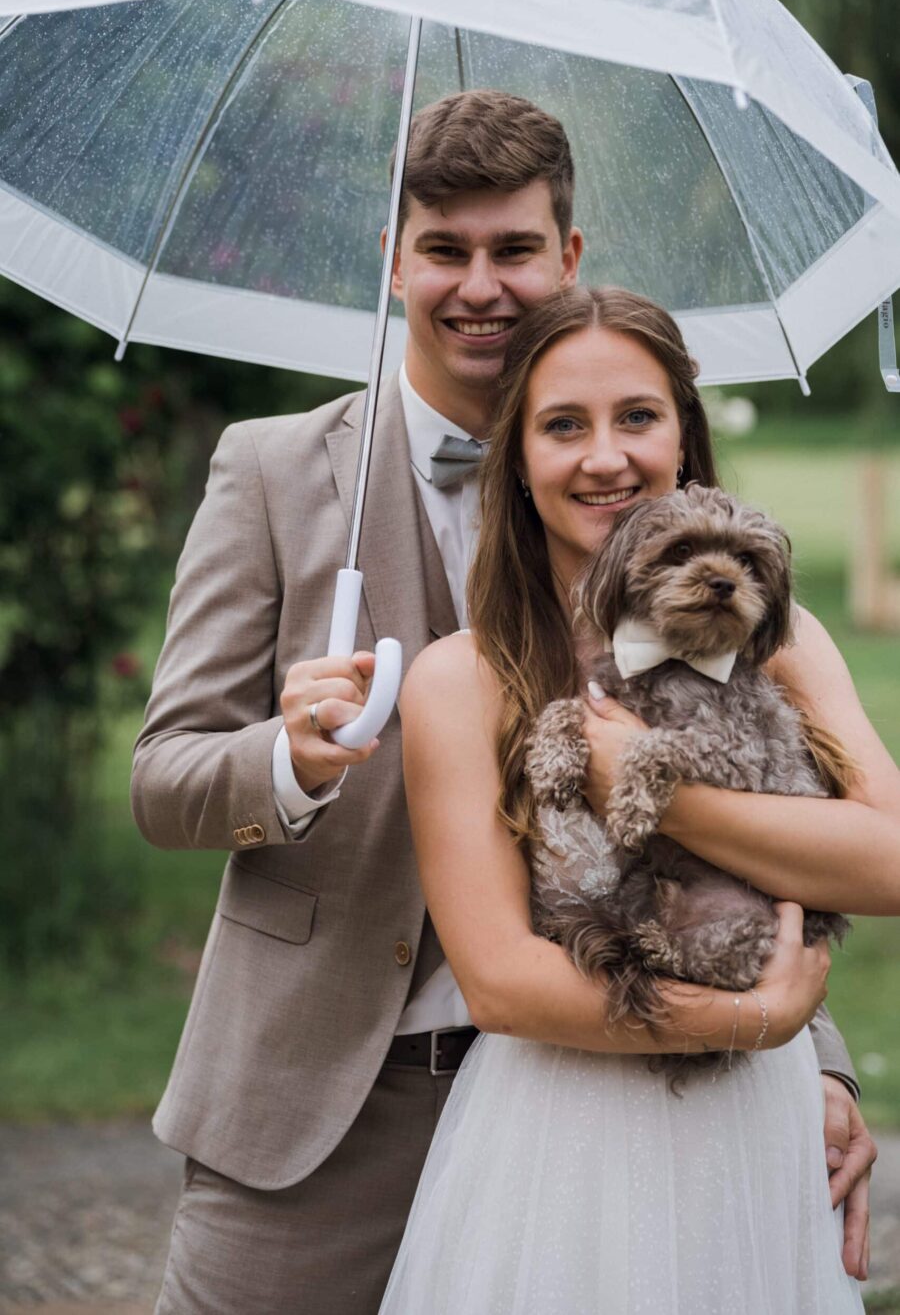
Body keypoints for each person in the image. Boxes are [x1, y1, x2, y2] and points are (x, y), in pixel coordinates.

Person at [132, 93, 875, 1313]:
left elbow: (762, 779)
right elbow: (163, 779)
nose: (480, 284)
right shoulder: (270, 471)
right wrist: (291, 760)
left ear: (566, 256)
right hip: (321, 1109)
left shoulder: (651, 521)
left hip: (601, 1104)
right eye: (445, 249)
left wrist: (810, 1057)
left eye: (515, 249)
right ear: (396, 259)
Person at [381, 286, 900, 1314]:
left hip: (752, 1127)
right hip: (565, 1131)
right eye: (563, 425)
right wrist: (756, 1016)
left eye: (639, 417)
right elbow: (503, 983)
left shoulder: (780, 648)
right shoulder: (463, 678)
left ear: (685, 440)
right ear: (518, 461)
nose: (605, 456)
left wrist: (661, 797)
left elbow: (887, 859)